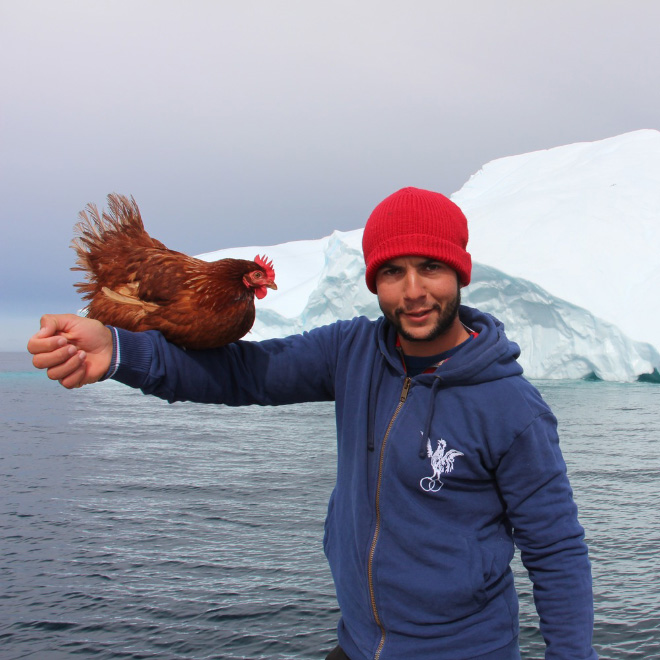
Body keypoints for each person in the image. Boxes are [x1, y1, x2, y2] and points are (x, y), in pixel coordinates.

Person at [28, 187, 597, 660]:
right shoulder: (352, 351)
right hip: (356, 644)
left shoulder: (512, 408)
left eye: (431, 268)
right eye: (393, 272)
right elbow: (244, 375)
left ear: (459, 273)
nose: (414, 291)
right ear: (375, 281)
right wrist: (120, 352)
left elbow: (556, 549)